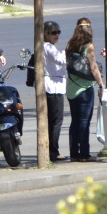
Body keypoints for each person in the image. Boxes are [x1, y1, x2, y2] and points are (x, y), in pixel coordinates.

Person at [65, 21, 105, 162]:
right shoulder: (89, 47)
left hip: (71, 88)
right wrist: (101, 83)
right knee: (84, 121)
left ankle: (74, 153)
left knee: (75, 121)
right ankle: (84, 153)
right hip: (85, 88)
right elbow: (93, 68)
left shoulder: (70, 46)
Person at [41, 21, 67, 162]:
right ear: (45, 34)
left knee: (53, 120)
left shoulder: (47, 47)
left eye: (58, 32)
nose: (56, 35)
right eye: (53, 32)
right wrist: (67, 52)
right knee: (56, 120)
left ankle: (51, 149)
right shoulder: (48, 47)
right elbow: (60, 60)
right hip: (53, 87)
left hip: (54, 86)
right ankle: (53, 151)